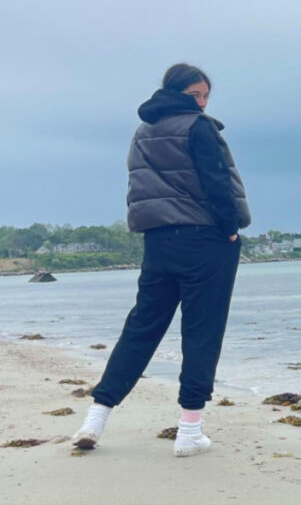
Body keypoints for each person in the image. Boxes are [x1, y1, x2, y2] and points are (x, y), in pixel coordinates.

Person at [73, 63, 251, 456]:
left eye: (206, 96)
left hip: (158, 241)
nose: (202, 102)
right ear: (177, 92)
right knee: (202, 331)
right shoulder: (197, 127)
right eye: (196, 95)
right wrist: (230, 229)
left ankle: (96, 417)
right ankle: (189, 433)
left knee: (142, 327)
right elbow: (217, 182)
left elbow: (138, 186)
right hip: (206, 239)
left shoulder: (143, 131)